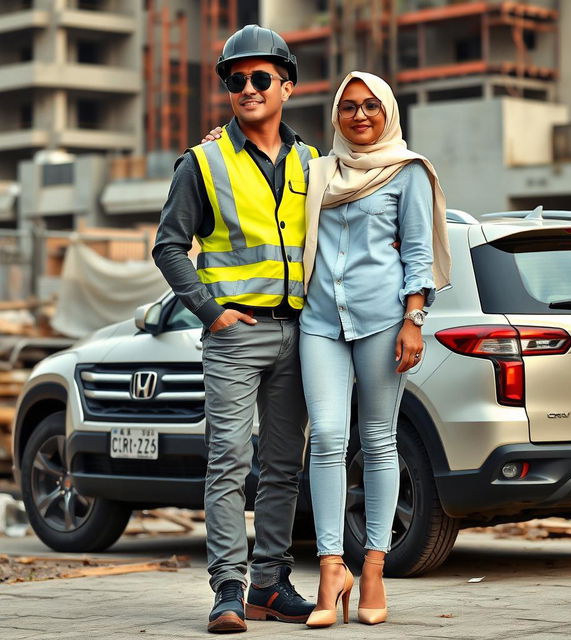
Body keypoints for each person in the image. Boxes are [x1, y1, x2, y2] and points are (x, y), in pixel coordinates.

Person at [152, 25, 319, 634]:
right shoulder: (202, 161)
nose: (246, 88)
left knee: (283, 467)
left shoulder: (312, 164)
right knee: (228, 461)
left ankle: (271, 585)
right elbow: (169, 247)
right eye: (234, 79)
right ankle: (228, 588)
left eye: (259, 78)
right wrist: (209, 310)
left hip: (299, 334)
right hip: (234, 333)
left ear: (287, 86)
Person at [299, 71, 450, 628]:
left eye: (371, 107)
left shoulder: (408, 173)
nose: (359, 116)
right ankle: (331, 566)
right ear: (335, 115)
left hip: (384, 320)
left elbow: (416, 251)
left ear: (388, 112)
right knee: (330, 438)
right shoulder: (317, 171)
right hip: (318, 321)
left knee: (379, 440)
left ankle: (374, 569)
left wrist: (414, 320)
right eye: (348, 107)